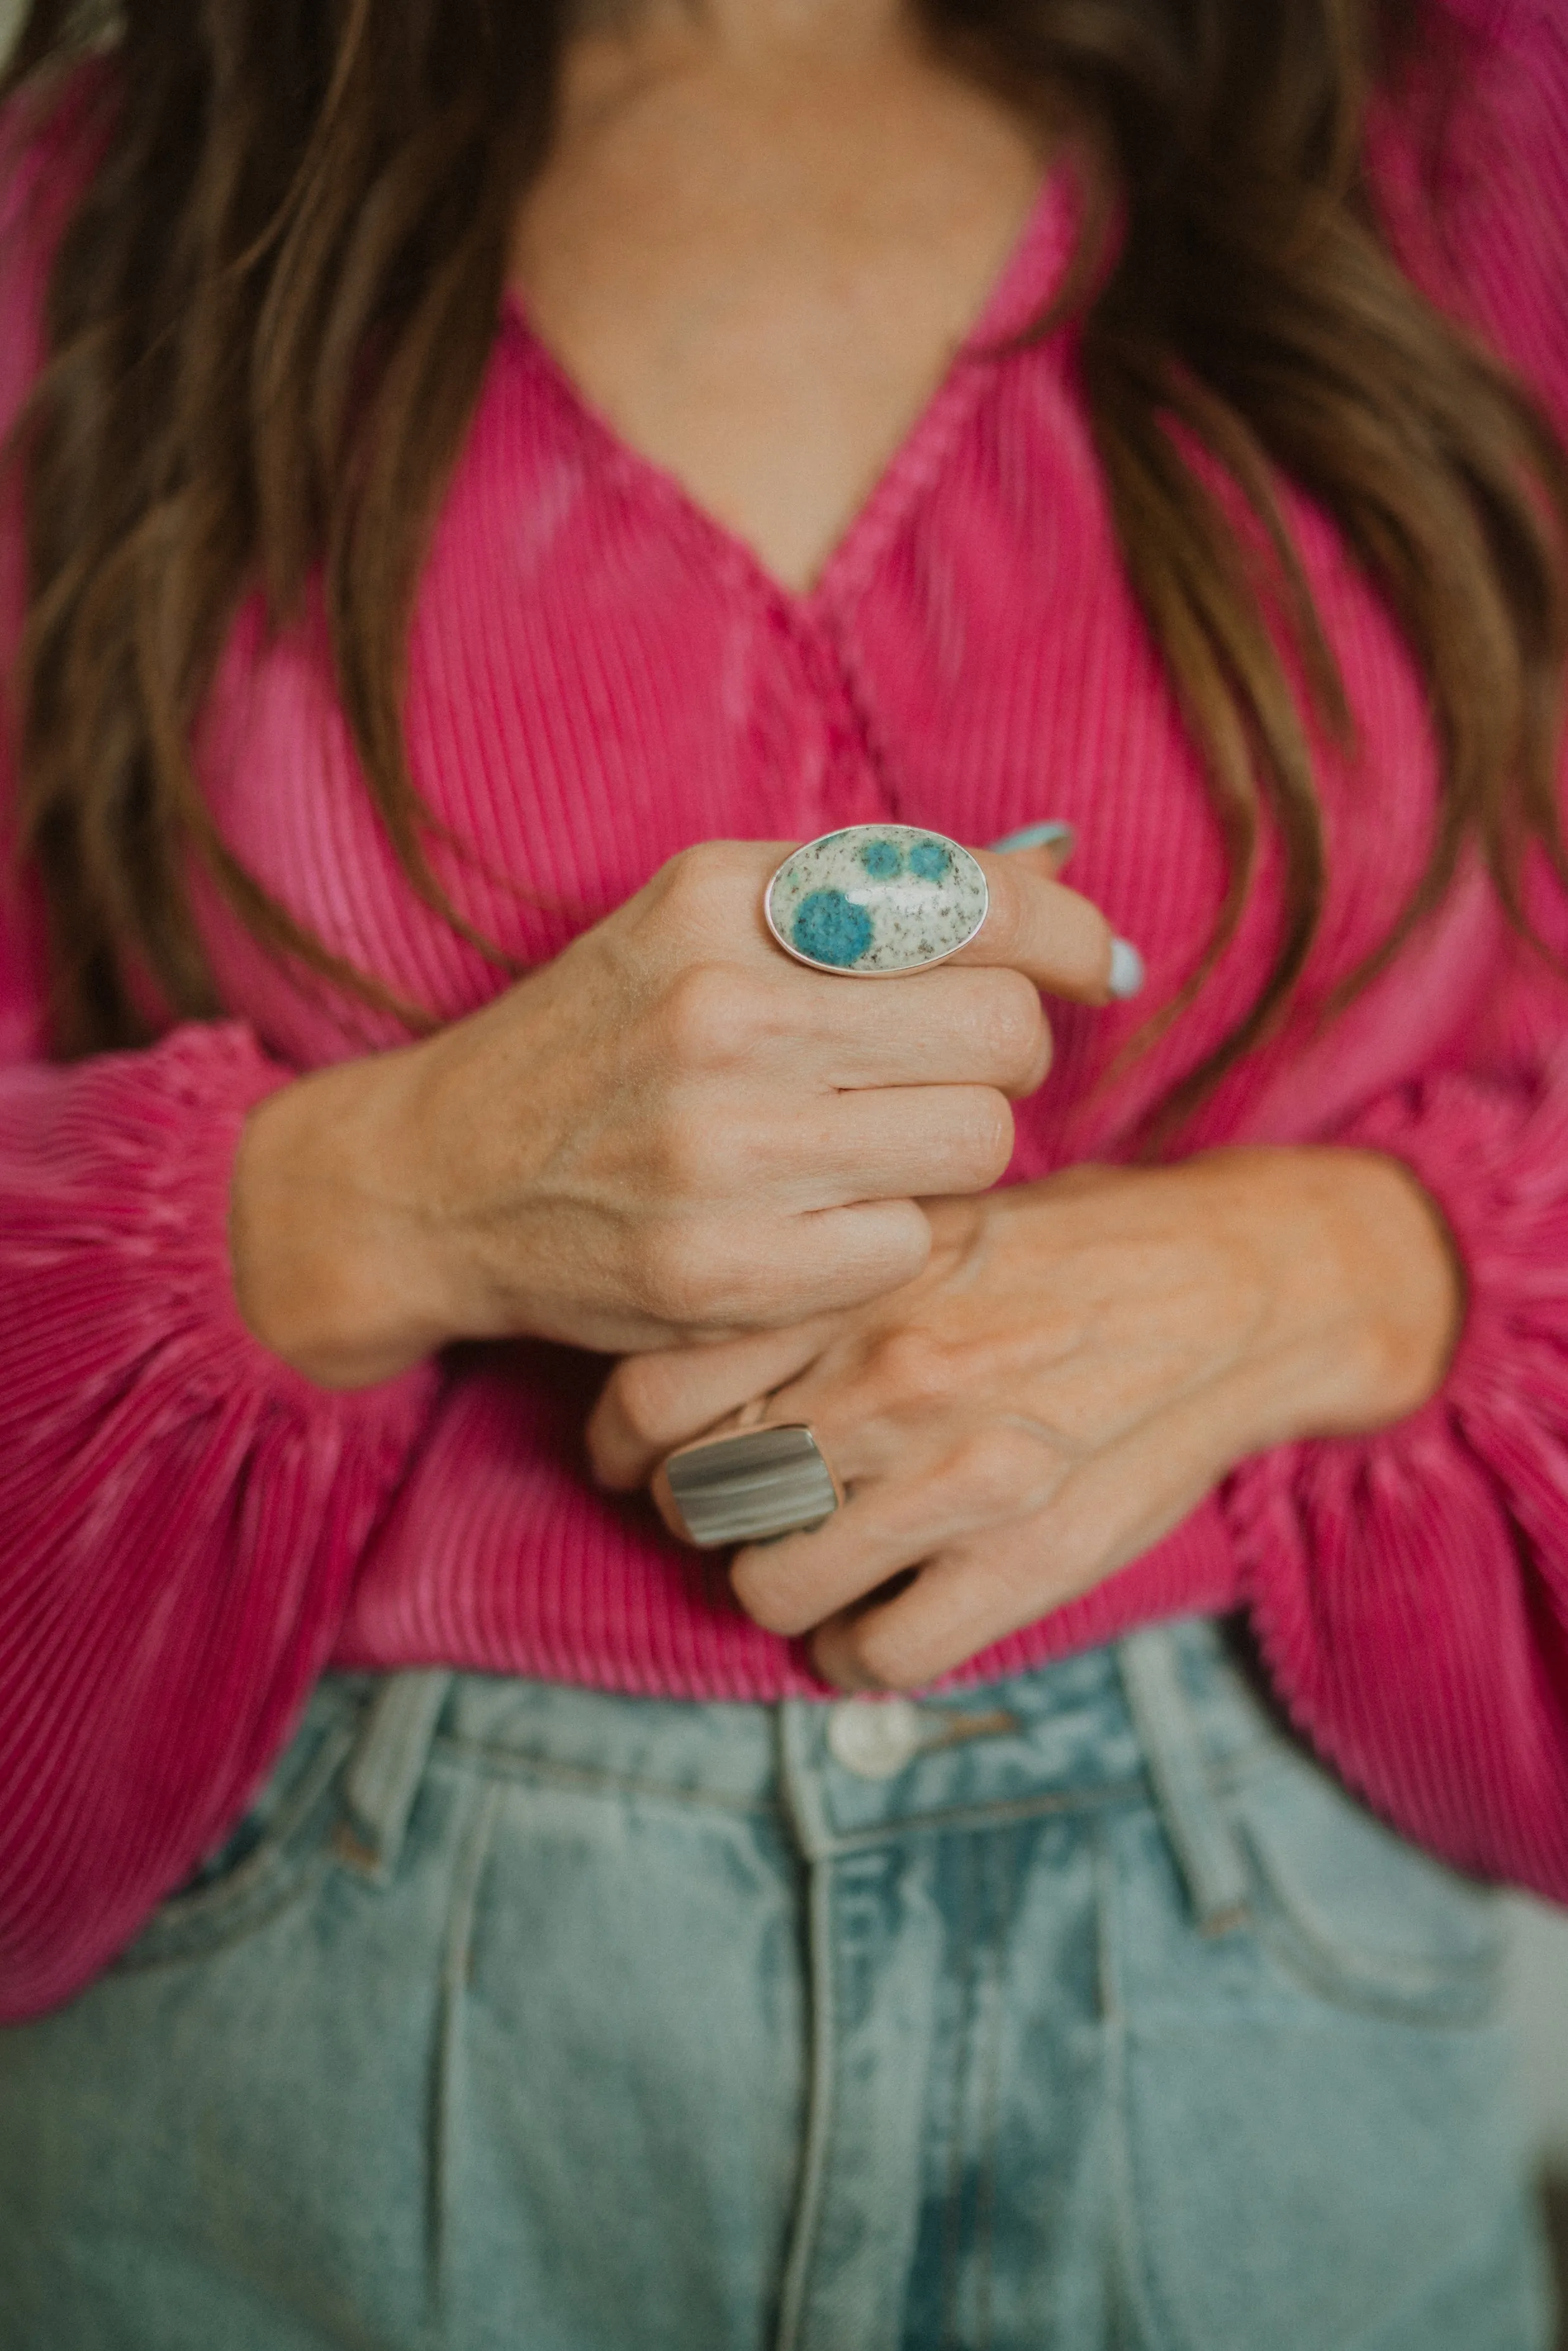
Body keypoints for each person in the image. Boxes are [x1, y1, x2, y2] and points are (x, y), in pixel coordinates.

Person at [0, 0, 1565, 2341]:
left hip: (1268, 2093)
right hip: (297, 2080)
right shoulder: (98, 204)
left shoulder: (1485, 117)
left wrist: (1343, 1270)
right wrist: (381, 1192)